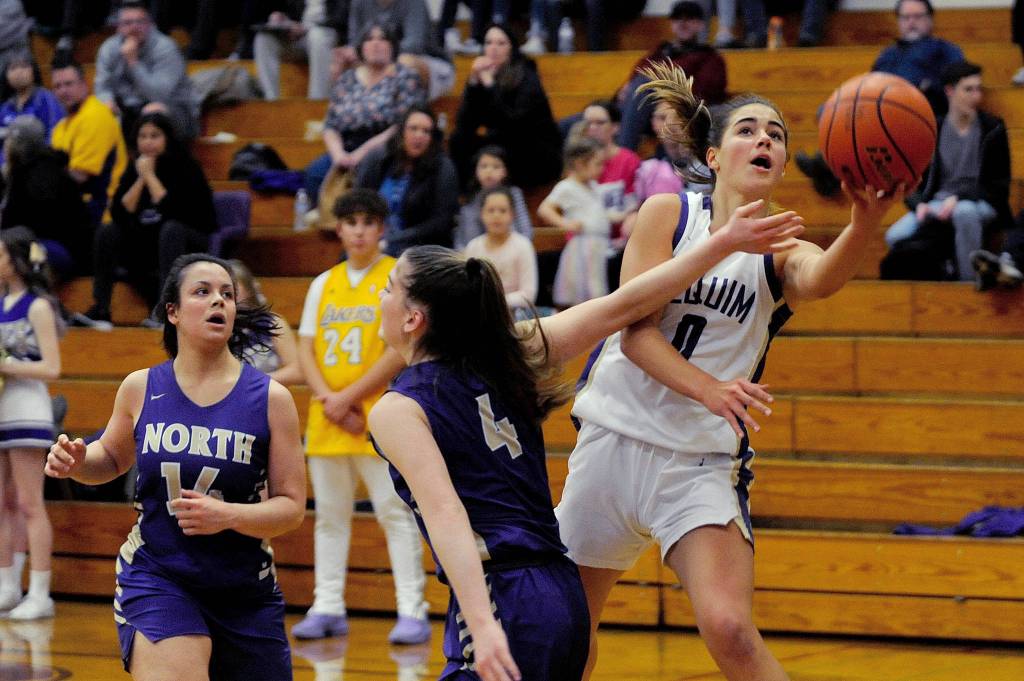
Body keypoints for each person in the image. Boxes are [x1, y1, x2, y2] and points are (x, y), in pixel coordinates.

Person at [554, 62, 903, 681]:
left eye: (776, 134)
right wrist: (708, 387)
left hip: (696, 461)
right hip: (611, 440)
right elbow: (633, 332)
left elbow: (822, 279)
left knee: (730, 630)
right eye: (747, 129)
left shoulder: (784, 248)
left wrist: (864, 223)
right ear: (713, 156)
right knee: (566, 626)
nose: (764, 139)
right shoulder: (667, 214)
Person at [368, 200, 804, 679]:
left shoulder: (398, 410)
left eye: (389, 289)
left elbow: (448, 515)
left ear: (414, 319)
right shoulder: (510, 351)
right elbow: (627, 304)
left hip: (505, 597)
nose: (380, 298)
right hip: (562, 589)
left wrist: (484, 625)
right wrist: (721, 244)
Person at [44, 253, 307, 680]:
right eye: (202, 293)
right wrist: (78, 462)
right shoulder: (141, 387)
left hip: (244, 588)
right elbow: (109, 459)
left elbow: (292, 507)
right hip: (160, 574)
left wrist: (229, 516)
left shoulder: (272, 399)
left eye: (227, 294)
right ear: (173, 312)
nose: (218, 302)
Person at [293, 187, 430, 643]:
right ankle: (327, 604)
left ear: (381, 228)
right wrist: (330, 400)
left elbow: (400, 349)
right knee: (330, 517)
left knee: (395, 513)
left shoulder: (397, 277)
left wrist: (347, 397)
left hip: (381, 418)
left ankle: (412, 609)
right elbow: (306, 348)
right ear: (339, 228)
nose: (358, 231)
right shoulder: (322, 283)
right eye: (350, 222)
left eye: (367, 222)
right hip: (328, 419)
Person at [797, 0, 964, 196]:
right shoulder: (888, 54)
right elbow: (869, 82)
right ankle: (832, 165)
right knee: (828, 110)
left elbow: (958, 85)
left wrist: (930, 88)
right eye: (906, 17)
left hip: (916, 112)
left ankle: (827, 168)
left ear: (930, 20)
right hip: (879, 109)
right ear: (899, 21)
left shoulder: (945, 50)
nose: (912, 22)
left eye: (918, 17)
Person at [87, 112, 217, 327]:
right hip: (149, 242)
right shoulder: (136, 168)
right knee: (107, 231)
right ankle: (100, 308)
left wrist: (150, 176)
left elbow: (174, 210)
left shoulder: (186, 167)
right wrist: (140, 178)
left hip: (188, 240)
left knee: (170, 230)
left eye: (154, 136)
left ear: (167, 138)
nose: (147, 142)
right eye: (143, 136)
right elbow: (120, 212)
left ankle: (164, 311)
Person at [885, 61, 1011, 283]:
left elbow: (999, 184)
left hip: (979, 201)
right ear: (950, 91)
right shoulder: (933, 128)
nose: (976, 96)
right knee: (894, 235)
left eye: (978, 89)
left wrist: (960, 198)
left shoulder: (993, 128)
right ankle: (942, 270)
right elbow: (911, 177)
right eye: (968, 89)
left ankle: (968, 284)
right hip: (938, 202)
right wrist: (919, 204)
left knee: (964, 212)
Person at [0, 227, 62, 621]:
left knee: (29, 503)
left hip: (28, 409)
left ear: (17, 259)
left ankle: (40, 591)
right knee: (3, 504)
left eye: (1, 254)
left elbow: (52, 368)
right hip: (3, 408)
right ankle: (7, 585)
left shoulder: (38, 306)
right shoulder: (1, 302)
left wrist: (6, 365)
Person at [303, 21, 426, 207]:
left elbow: (402, 125)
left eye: (383, 39)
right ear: (361, 47)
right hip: (346, 146)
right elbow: (330, 125)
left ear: (393, 46)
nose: (376, 44)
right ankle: (329, 223)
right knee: (314, 173)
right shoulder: (347, 79)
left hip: (386, 146)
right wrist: (338, 155)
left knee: (368, 169)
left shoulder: (406, 77)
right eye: (369, 39)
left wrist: (360, 155)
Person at [448, 23, 562, 190]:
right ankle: (470, 197)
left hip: (533, 149)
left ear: (512, 49)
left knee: (503, 147)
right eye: (489, 43)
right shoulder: (482, 75)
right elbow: (464, 123)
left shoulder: (527, 76)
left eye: (501, 43)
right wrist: (473, 82)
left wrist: (490, 85)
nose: (493, 48)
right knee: (458, 140)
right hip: (499, 142)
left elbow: (513, 123)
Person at [613, 1, 727, 151]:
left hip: (679, 112)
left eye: (689, 18)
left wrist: (668, 94)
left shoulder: (710, 57)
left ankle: (624, 156)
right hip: (643, 109)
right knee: (578, 120)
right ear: (672, 23)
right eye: (678, 18)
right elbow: (636, 76)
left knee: (646, 85)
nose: (683, 23)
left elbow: (706, 92)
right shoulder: (660, 51)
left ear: (700, 24)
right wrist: (625, 89)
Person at [354, 105, 459, 256]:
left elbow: (441, 223)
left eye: (426, 131)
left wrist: (392, 241)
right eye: (413, 128)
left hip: (420, 249)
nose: (419, 135)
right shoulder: (379, 159)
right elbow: (358, 202)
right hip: (375, 240)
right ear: (402, 132)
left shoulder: (444, 168)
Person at [0, 116, 93, 280]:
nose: (4, 147)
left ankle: (36, 300)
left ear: (16, 145)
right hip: (45, 243)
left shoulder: (39, 176)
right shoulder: (32, 168)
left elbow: (23, 226)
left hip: (59, 250)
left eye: (7, 141)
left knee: (13, 251)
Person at [93, 1, 199, 140]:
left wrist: (133, 63)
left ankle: (163, 161)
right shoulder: (109, 48)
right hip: (129, 109)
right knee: (98, 112)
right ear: (118, 27)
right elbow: (102, 87)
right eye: (128, 23)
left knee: (152, 112)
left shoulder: (165, 48)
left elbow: (158, 95)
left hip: (175, 112)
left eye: (140, 22)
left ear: (149, 24)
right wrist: (107, 101)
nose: (134, 27)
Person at [49, 61, 129, 229]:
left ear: (84, 85)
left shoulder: (95, 115)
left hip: (105, 211)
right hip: (78, 206)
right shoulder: (61, 126)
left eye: (69, 84)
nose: (63, 91)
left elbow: (80, 176)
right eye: (57, 86)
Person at [537, 137, 616, 307]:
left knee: (597, 289)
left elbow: (599, 213)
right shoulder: (567, 186)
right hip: (583, 245)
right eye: (598, 164)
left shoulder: (594, 186)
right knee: (583, 290)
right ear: (580, 163)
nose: (602, 169)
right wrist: (565, 224)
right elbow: (544, 209)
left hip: (598, 245)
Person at [343, 0, 454, 100]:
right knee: (341, 61)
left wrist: (379, 55)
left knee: (405, 62)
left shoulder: (414, 2)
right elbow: (354, 41)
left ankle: (412, 110)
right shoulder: (358, 2)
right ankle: (342, 115)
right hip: (378, 59)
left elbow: (414, 45)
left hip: (429, 61)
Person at [463, 186, 538, 317]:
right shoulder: (473, 246)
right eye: (491, 210)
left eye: (503, 211)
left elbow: (528, 294)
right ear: (481, 214)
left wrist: (497, 301)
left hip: (514, 314)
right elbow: (467, 286)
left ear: (512, 214)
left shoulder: (523, 246)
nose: (496, 215)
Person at [253, 0, 349, 101]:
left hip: (327, 37)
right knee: (263, 38)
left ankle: (317, 102)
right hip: (300, 38)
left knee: (318, 36)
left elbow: (342, 19)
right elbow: (290, 11)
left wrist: (306, 27)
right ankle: (271, 100)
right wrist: (283, 19)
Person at [228, 259, 304, 386]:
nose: (227, 293)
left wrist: (252, 383)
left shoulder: (272, 322)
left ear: (248, 288)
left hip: (263, 395)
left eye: (232, 286)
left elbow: (297, 372)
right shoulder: (212, 326)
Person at [452, 145, 532, 251]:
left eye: (496, 167)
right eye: (484, 166)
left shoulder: (514, 194)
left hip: (510, 251)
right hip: (475, 256)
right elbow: (462, 238)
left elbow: (526, 231)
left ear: (505, 172)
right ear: (476, 170)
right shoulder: (469, 198)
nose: (489, 171)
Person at [0, 56, 64, 167]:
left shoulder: (47, 100)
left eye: (24, 66)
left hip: (41, 165)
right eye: (13, 68)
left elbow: (54, 136)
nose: (19, 72)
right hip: (9, 168)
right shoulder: (5, 108)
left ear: (34, 71)